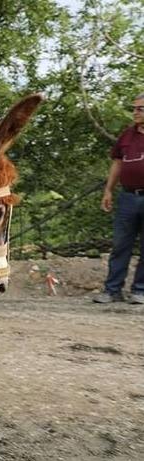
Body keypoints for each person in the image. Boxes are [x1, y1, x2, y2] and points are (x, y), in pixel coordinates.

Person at [94, 93, 144, 304]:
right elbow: (117, 163)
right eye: (134, 108)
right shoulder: (127, 136)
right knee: (120, 244)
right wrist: (108, 190)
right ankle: (112, 290)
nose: (135, 112)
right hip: (128, 197)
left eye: (140, 109)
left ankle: (140, 291)